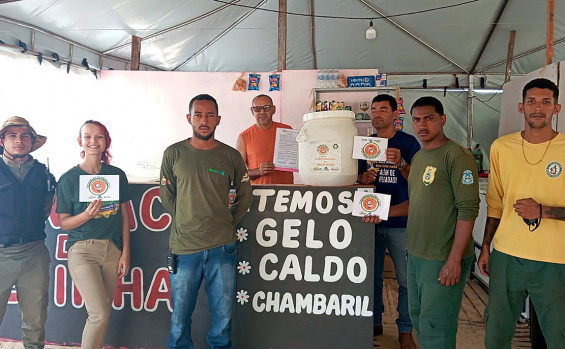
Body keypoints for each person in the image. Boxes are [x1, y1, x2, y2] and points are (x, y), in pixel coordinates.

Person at [478, 78, 565, 349]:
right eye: (531, 101)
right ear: (520, 106)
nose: (537, 108)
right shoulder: (502, 147)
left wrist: (543, 211)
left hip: (554, 258)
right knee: (497, 330)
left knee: (558, 333)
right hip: (507, 256)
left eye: (545, 102)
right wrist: (486, 247)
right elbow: (495, 203)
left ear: (557, 108)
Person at [160, 94, 253, 349]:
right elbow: (166, 196)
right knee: (179, 319)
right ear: (189, 118)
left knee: (222, 318)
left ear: (218, 120)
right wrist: (185, 218)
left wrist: (226, 221)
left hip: (222, 247)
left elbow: (245, 195)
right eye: (198, 115)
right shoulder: (173, 153)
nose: (204, 120)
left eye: (210, 115)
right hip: (184, 248)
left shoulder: (231, 156)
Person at [406, 96, 479, 349]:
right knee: (419, 320)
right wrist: (379, 212)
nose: (422, 125)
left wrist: (454, 260)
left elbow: (468, 210)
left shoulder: (458, 156)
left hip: (442, 257)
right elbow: (417, 203)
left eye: (429, 118)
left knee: (437, 327)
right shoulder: (418, 158)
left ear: (443, 119)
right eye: (416, 119)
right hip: (417, 254)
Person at [57, 120, 130, 349]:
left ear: (106, 141)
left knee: (103, 313)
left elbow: (125, 216)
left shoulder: (116, 175)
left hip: (112, 250)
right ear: (80, 141)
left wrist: (125, 252)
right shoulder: (68, 179)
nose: (93, 141)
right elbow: (64, 223)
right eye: (87, 137)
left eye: (99, 137)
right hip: (82, 251)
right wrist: (87, 215)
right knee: (98, 314)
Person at [358, 94, 419, 349]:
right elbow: (358, 177)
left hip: (401, 221)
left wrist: (402, 163)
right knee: (370, 276)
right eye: (374, 109)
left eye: (383, 109)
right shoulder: (365, 144)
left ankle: (406, 329)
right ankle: (374, 320)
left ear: (396, 114)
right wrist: (364, 177)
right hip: (370, 219)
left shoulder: (408, 142)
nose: (377, 114)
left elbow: (419, 180)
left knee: (406, 279)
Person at [0, 116, 55, 349]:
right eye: (12, 135)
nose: (19, 140)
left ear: (32, 141)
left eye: (24, 136)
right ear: (2, 141)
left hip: (34, 255)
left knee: (35, 322)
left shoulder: (44, 174)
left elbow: (45, 208)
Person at [235, 94, 294, 184]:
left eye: (266, 107)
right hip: (257, 194)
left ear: (273, 109)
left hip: (286, 193)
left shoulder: (287, 131)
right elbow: (237, 174)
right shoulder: (243, 137)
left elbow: (299, 160)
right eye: (257, 108)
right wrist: (258, 171)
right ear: (252, 111)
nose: (262, 112)